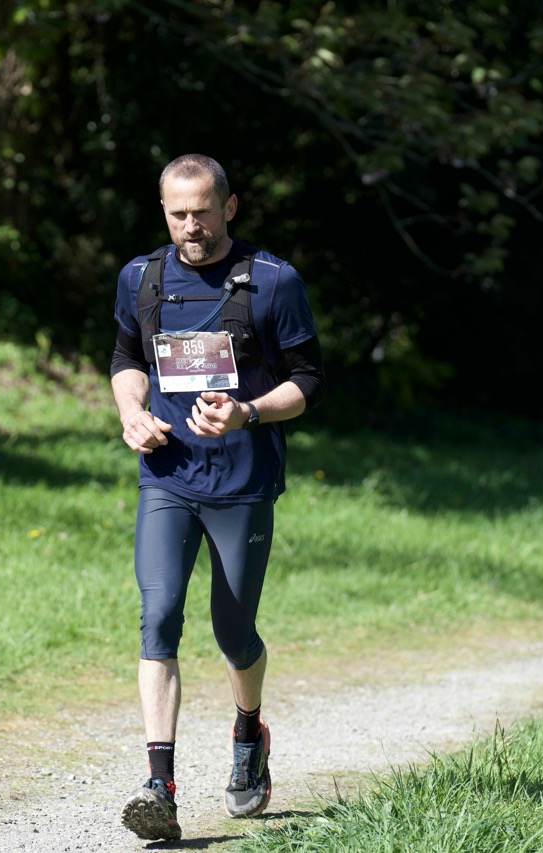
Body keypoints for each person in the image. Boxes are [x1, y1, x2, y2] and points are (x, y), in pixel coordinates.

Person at [109, 153, 326, 841]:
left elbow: (308, 380)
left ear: (229, 207)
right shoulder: (141, 278)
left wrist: (248, 413)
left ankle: (248, 732)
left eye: (202, 211)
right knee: (158, 616)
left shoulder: (273, 280)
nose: (191, 225)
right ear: (164, 211)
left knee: (233, 633)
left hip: (242, 481)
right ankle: (160, 786)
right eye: (178, 214)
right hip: (168, 475)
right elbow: (127, 359)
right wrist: (132, 413)